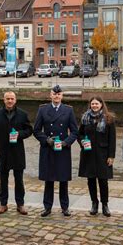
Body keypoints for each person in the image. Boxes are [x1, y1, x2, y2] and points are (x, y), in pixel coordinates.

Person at [34, 85, 78, 217]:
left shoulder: (68, 110)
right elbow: (36, 130)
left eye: (59, 94)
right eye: (54, 94)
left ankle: (65, 207)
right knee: (49, 179)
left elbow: (75, 131)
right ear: (50, 95)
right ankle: (47, 207)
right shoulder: (42, 110)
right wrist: (46, 140)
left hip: (63, 150)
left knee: (63, 180)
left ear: (62, 96)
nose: (57, 96)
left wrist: (66, 142)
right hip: (48, 149)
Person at [0, 91, 33, 215]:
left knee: (19, 180)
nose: (10, 101)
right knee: (3, 180)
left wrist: (19, 134)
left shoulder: (23, 115)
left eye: (12, 98)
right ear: (4, 100)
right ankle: (3, 204)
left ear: (15, 100)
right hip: (2, 152)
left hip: (18, 152)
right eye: (7, 98)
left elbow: (29, 130)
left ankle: (20, 204)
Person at [78, 96, 116, 217]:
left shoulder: (108, 118)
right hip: (88, 154)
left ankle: (105, 204)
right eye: (92, 104)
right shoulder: (85, 118)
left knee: (103, 181)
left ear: (101, 104)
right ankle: (94, 203)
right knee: (91, 180)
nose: (94, 106)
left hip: (103, 154)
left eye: (97, 104)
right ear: (90, 105)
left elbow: (112, 139)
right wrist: (82, 142)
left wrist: (111, 156)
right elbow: (79, 134)